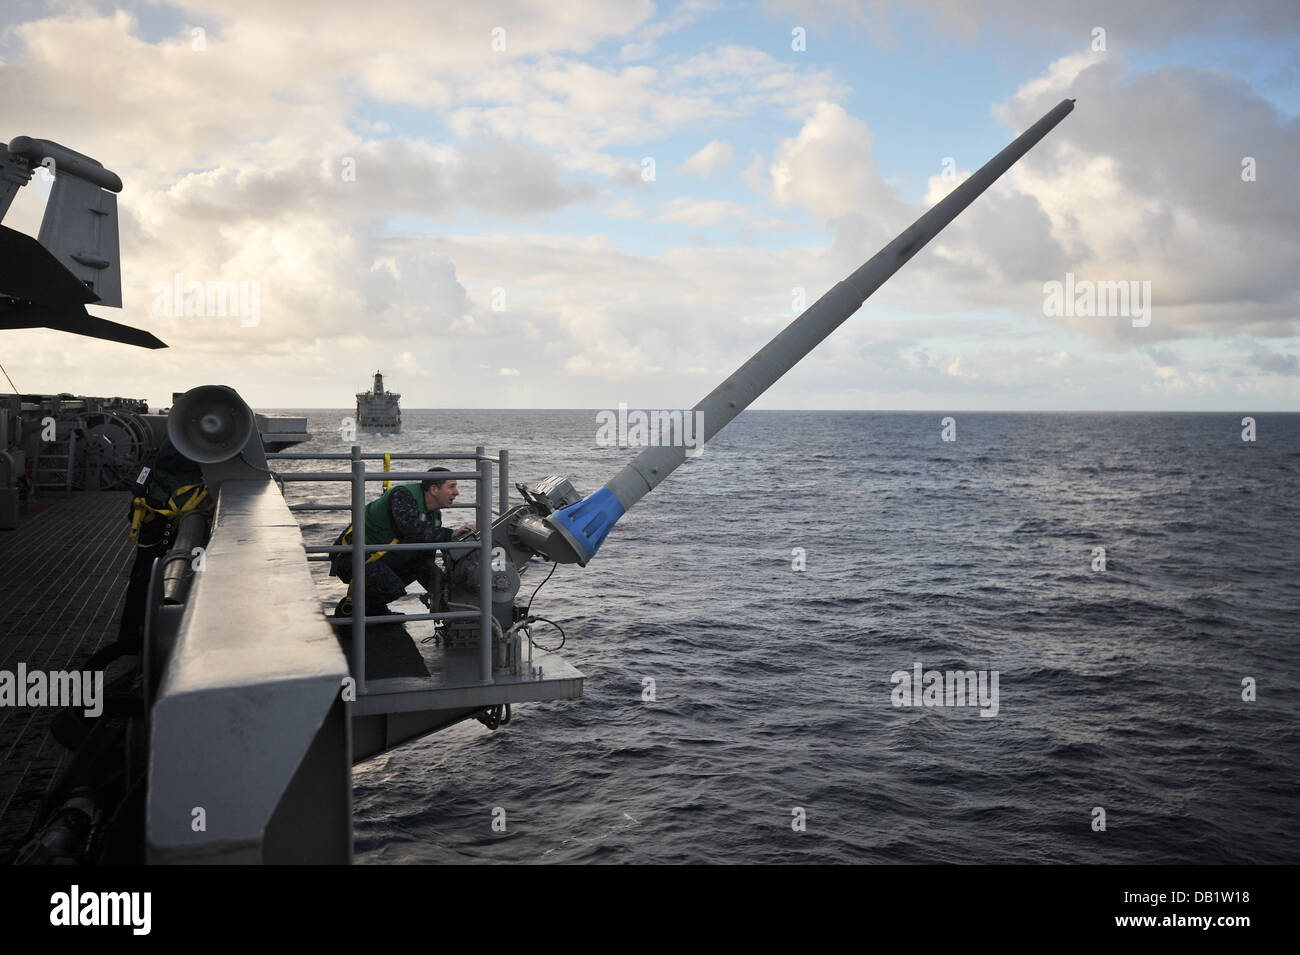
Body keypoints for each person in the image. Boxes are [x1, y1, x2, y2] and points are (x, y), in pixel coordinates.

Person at [329, 466, 473, 616]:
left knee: (425, 569)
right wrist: (451, 534)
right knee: (391, 587)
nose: (457, 492)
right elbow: (409, 526)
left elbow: (425, 557)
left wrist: (443, 589)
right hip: (350, 556)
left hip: (379, 557)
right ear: (434, 489)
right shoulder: (403, 495)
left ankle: (373, 609)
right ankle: (349, 611)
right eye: (451, 487)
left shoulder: (434, 516)